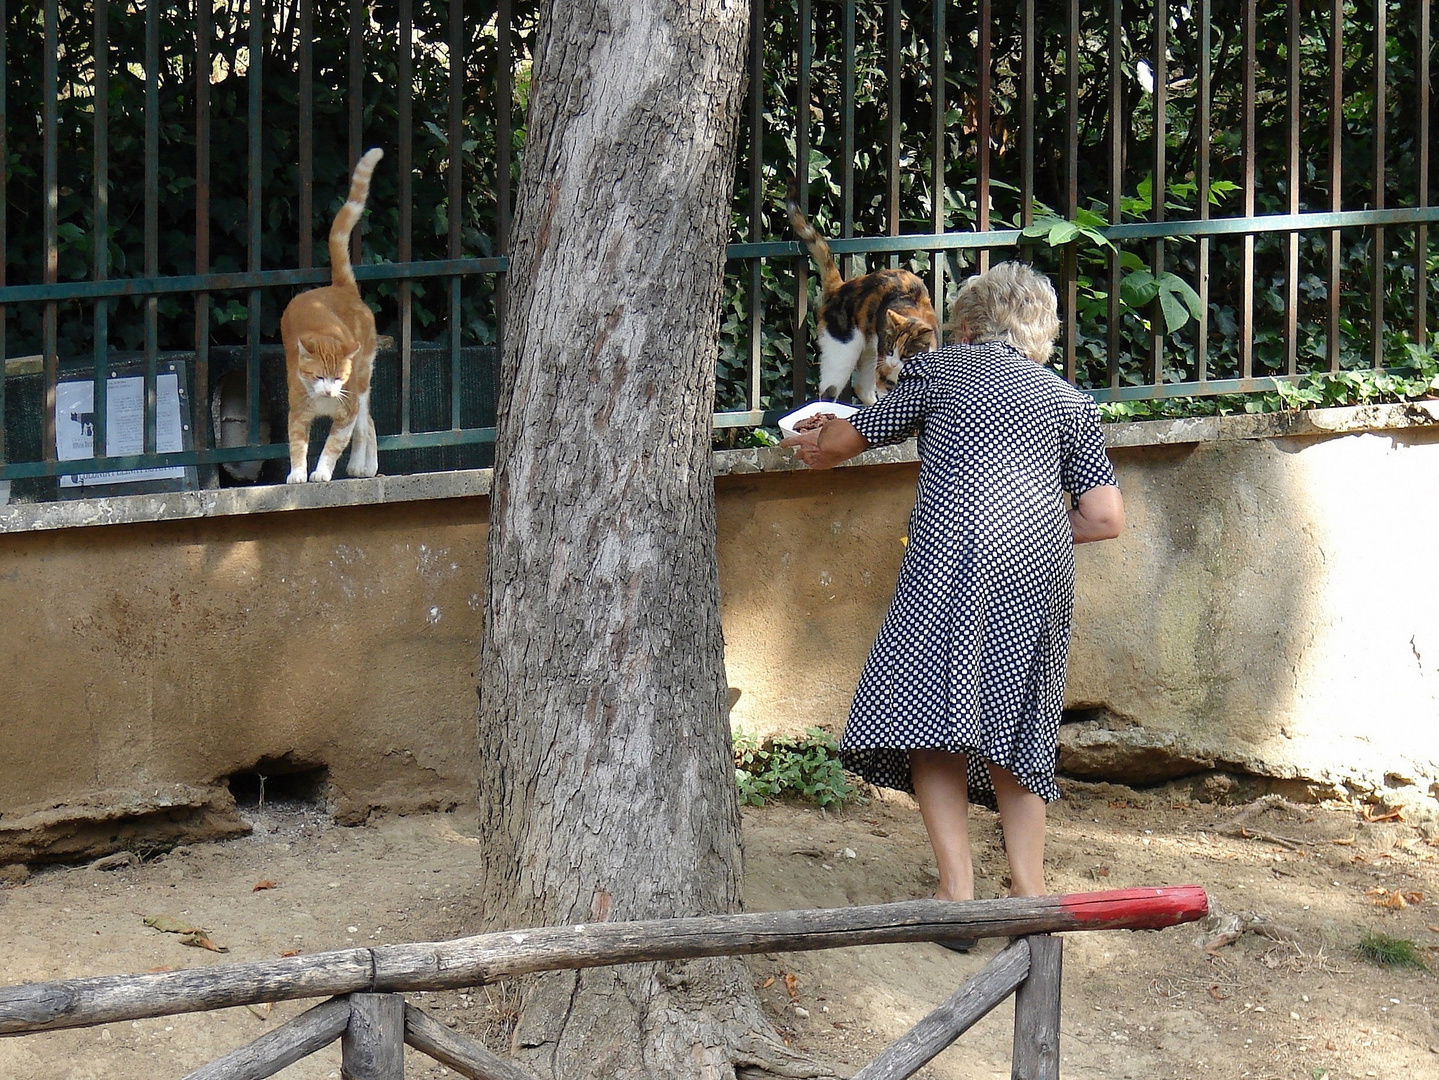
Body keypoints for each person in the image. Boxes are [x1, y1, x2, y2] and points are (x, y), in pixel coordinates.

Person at [780, 260, 1124, 950]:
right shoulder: (1067, 401)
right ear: (1038, 331)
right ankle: (1029, 901)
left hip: (953, 558)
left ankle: (956, 898)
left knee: (930, 715)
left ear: (966, 323)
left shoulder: (939, 373)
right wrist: (1033, 533)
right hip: (1040, 569)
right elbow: (1105, 516)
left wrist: (810, 436)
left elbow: (843, 444)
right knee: (1017, 729)